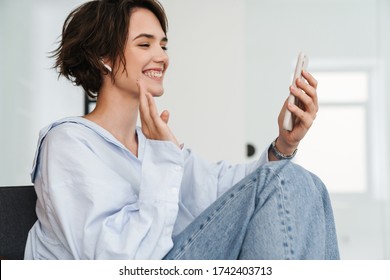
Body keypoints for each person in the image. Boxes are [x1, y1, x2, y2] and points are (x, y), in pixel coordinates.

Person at [24, 0, 339, 260]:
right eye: (145, 44)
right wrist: (163, 159)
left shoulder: (152, 144)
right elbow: (116, 260)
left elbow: (228, 190)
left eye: (163, 44)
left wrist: (284, 144)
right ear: (103, 58)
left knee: (308, 183)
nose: (161, 56)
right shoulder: (67, 143)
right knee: (288, 179)